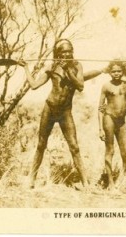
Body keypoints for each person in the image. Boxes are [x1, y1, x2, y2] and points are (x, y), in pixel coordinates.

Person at [21, 39, 88, 189]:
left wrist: (69, 71)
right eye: (63, 52)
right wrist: (26, 68)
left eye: (69, 51)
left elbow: (80, 86)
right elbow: (34, 85)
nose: (67, 54)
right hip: (50, 109)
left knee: (74, 147)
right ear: (58, 54)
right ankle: (31, 179)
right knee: (41, 144)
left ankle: (86, 183)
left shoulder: (77, 66)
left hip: (65, 112)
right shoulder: (52, 67)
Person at [97, 61, 126, 189]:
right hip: (109, 119)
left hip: (121, 121)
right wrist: (100, 128)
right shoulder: (106, 86)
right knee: (110, 150)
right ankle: (110, 182)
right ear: (109, 72)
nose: (116, 73)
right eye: (113, 71)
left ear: (123, 72)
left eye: (119, 71)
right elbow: (100, 108)